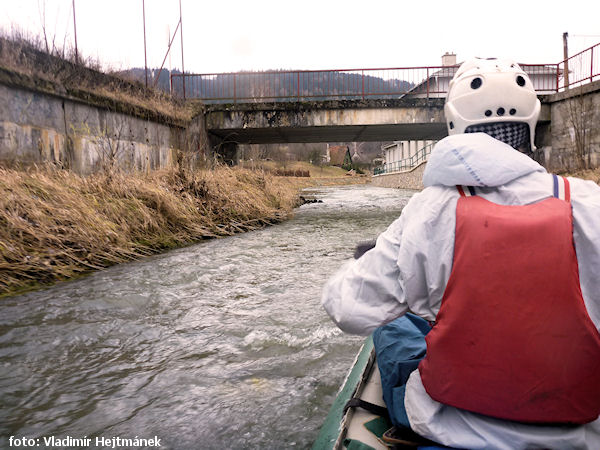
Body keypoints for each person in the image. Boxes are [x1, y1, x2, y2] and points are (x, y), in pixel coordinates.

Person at [322, 57, 600, 450]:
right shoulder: (590, 204)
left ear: (455, 125)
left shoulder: (430, 210)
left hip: (448, 425)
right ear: (531, 127)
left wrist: (375, 262)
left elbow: (347, 309)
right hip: (578, 434)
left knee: (395, 325)